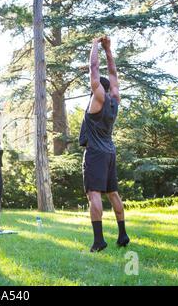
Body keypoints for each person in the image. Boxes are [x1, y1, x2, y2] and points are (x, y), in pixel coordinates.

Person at [79, 36, 130, 252]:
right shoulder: (114, 100)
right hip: (110, 152)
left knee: (94, 194)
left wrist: (94, 45)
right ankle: (122, 235)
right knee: (113, 194)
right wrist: (108, 49)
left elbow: (93, 67)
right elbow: (114, 74)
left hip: (96, 154)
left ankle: (99, 241)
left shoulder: (97, 98)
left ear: (99, 88)